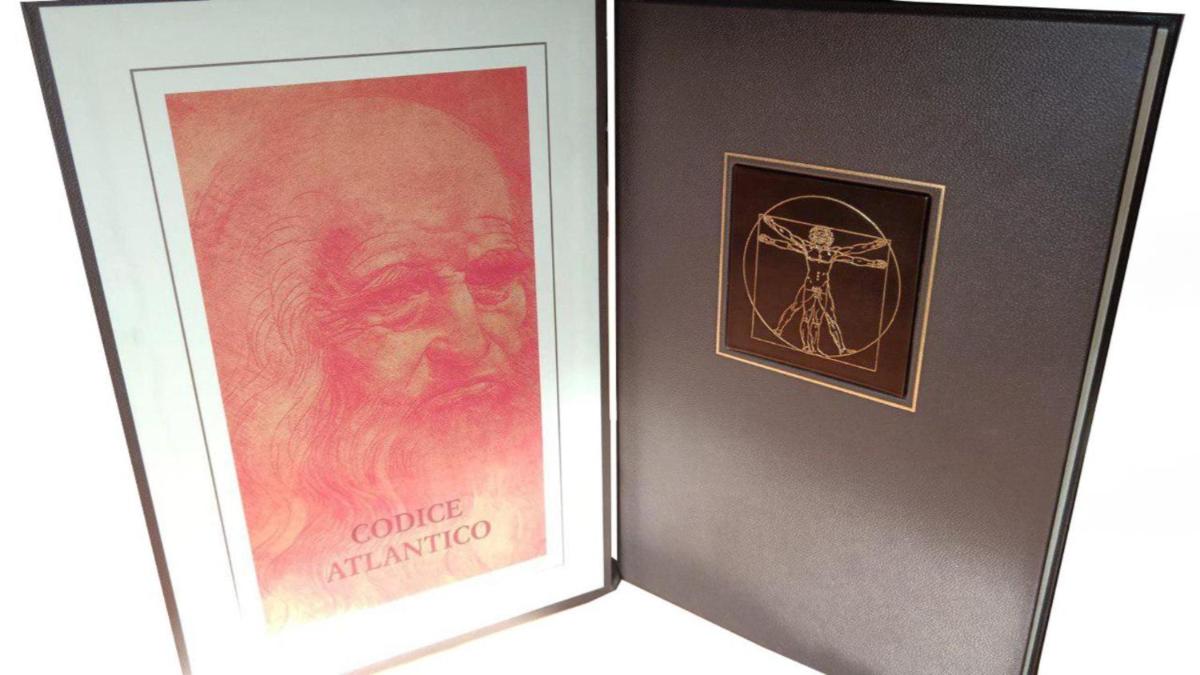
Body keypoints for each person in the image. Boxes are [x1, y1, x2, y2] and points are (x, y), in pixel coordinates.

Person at [758, 215, 888, 356]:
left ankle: (838, 349)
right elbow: (788, 239)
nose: (820, 237)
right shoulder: (807, 248)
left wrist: (874, 256)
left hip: (823, 288)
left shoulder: (833, 253)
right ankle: (805, 345)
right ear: (812, 236)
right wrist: (771, 228)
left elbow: (853, 255)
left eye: (823, 235)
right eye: (818, 234)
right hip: (810, 286)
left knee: (826, 317)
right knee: (806, 315)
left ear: (828, 238)